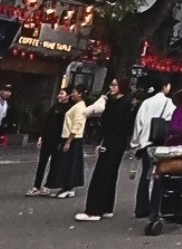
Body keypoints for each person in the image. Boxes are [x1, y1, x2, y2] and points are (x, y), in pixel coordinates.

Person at [74, 78, 137, 221]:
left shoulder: (118, 103)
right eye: (111, 84)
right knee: (110, 173)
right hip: (118, 141)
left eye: (114, 85)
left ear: (121, 86)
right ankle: (107, 207)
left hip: (112, 139)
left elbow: (108, 123)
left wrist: (101, 140)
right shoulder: (127, 102)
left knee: (101, 174)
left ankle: (94, 210)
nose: (111, 87)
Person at [130, 76, 174, 219]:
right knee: (159, 175)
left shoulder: (146, 103)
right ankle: (155, 207)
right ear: (165, 86)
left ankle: (141, 208)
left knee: (146, 174)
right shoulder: (169, 104)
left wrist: (135, 143)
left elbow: (139, 123)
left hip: (146, 143)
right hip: (161, 144)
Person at [50, 85, 92, 199]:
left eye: (74, 92)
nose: (72, 94)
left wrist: (69, 141)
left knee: (69, 163)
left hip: (73, 138)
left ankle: (69, 187)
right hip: (69, 137)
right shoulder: (77, 105)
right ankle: (66, 187)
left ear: (80, 94)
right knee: (67, 163)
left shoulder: (80, 107)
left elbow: (77, 124)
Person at [27, 89, 70, 196]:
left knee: (54, 164)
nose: (59, 96)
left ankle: (48, 186)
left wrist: (64, 141)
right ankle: (36, 186)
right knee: (42, 162)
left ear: (68, 96)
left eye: (62, 94)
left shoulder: (69, 109)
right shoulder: (54, 107)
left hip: (58, 140)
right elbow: (47, 123)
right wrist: (41, 137)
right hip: (47, 139)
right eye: (59, 93)